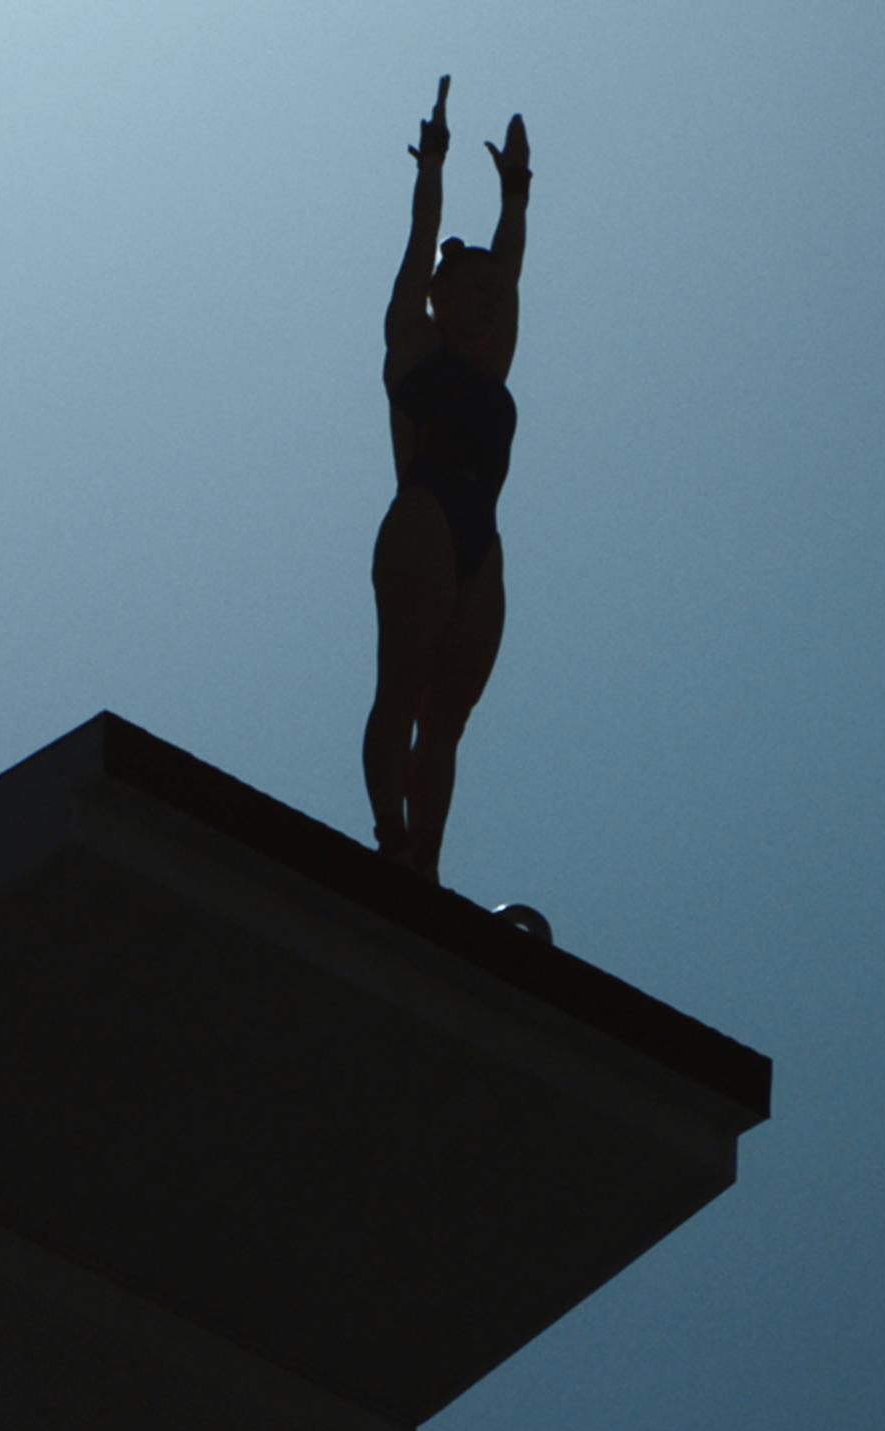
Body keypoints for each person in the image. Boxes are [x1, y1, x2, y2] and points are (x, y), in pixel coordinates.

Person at [362, 76, 528, 882]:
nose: (495, 302)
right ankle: (390, 836)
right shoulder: (414, 343)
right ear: (441, 295)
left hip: (481, 548)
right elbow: (422, 237)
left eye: (497, 296)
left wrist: (518, 198)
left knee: (448, 722)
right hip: (425, 518)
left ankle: (424, 864)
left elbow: (513, 275)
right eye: (477, 289)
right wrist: (432, 165)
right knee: (402, 685)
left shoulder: (490, 360)